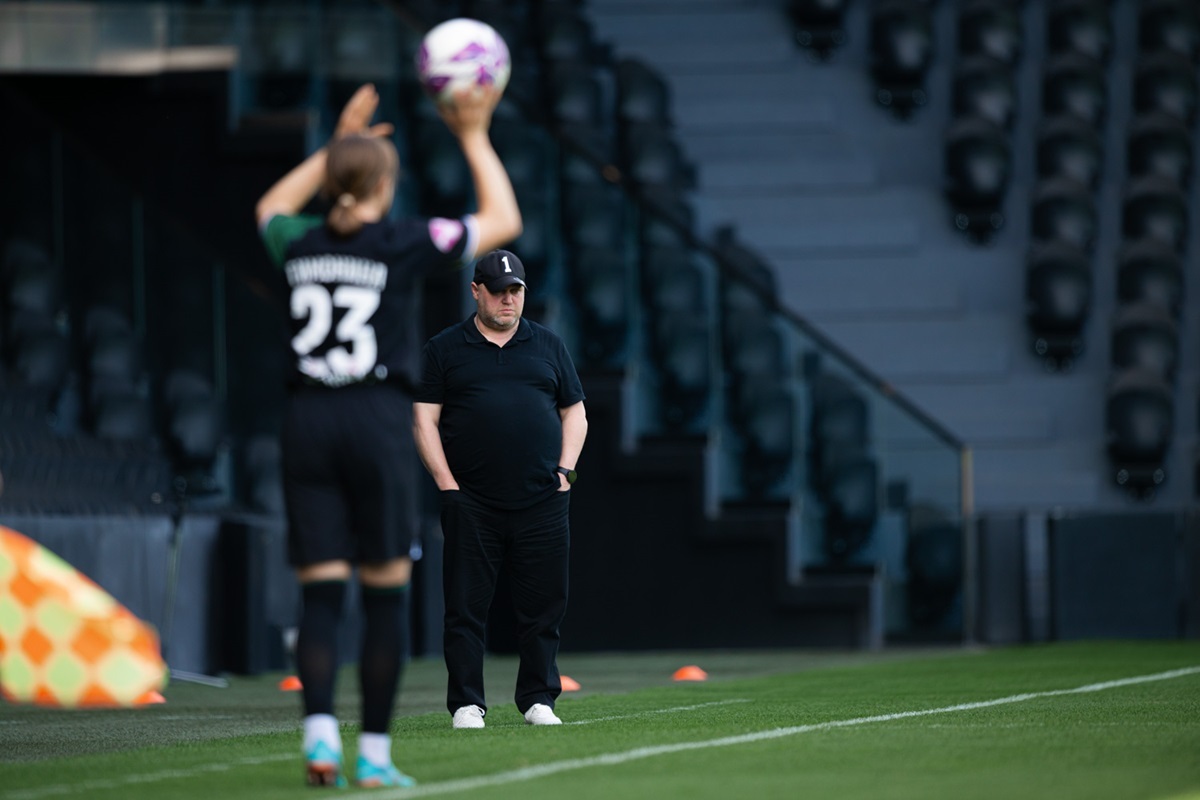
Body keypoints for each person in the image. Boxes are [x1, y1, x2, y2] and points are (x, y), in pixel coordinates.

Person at [254, 82, 521, 787]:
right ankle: (373, 756)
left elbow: (270, 207)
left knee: (320, 597)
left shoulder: (299, 240)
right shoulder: (405, 241)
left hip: (307, 421)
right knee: (382, 599)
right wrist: (471, 131)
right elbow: (501, 216)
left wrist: (336, 149)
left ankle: (317, 737)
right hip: (373, 421)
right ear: (386, 184)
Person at [413, 248, 588, 729]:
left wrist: (565, 473)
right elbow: (424, 419)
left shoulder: (548, 345)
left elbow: (574, 411)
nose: (508, 300)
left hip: (542, 500)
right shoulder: (445, 348)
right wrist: (447, 486)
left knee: (544, 606)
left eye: (516, 290)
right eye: (498, 290)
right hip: (472, 500)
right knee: (465, 608)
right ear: (476, 291)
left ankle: (539, 698)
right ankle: (467, 703)